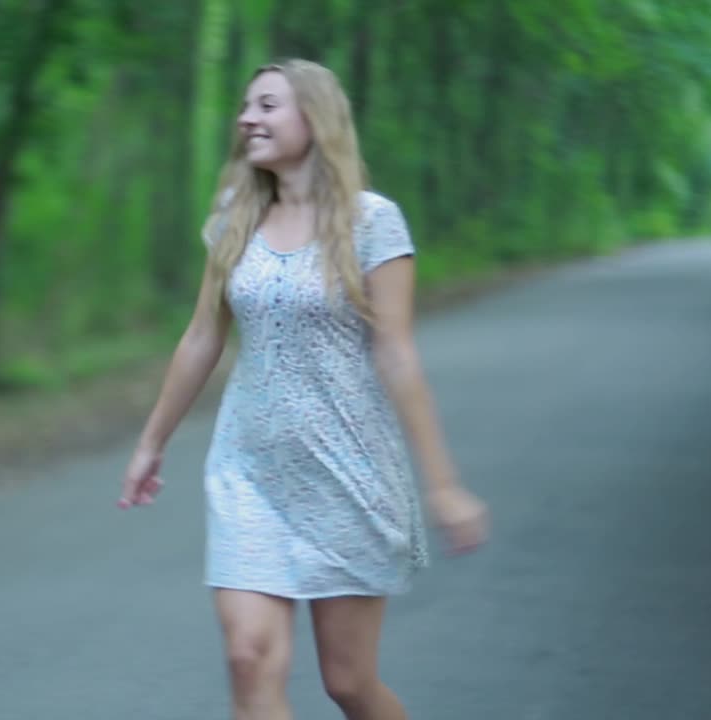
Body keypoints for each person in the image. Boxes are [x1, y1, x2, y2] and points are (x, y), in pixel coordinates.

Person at [116, 58, 489, 720]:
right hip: (250, 470)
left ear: (314, 117)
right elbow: (203, 337)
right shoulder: (233, 217)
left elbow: (398, 357)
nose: (245, 119)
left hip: (349, 471)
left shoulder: (372, 222)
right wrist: (153, 442)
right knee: (248, 660)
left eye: (266, 106)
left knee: (348, 683)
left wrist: (443, 483)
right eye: (244, 107)